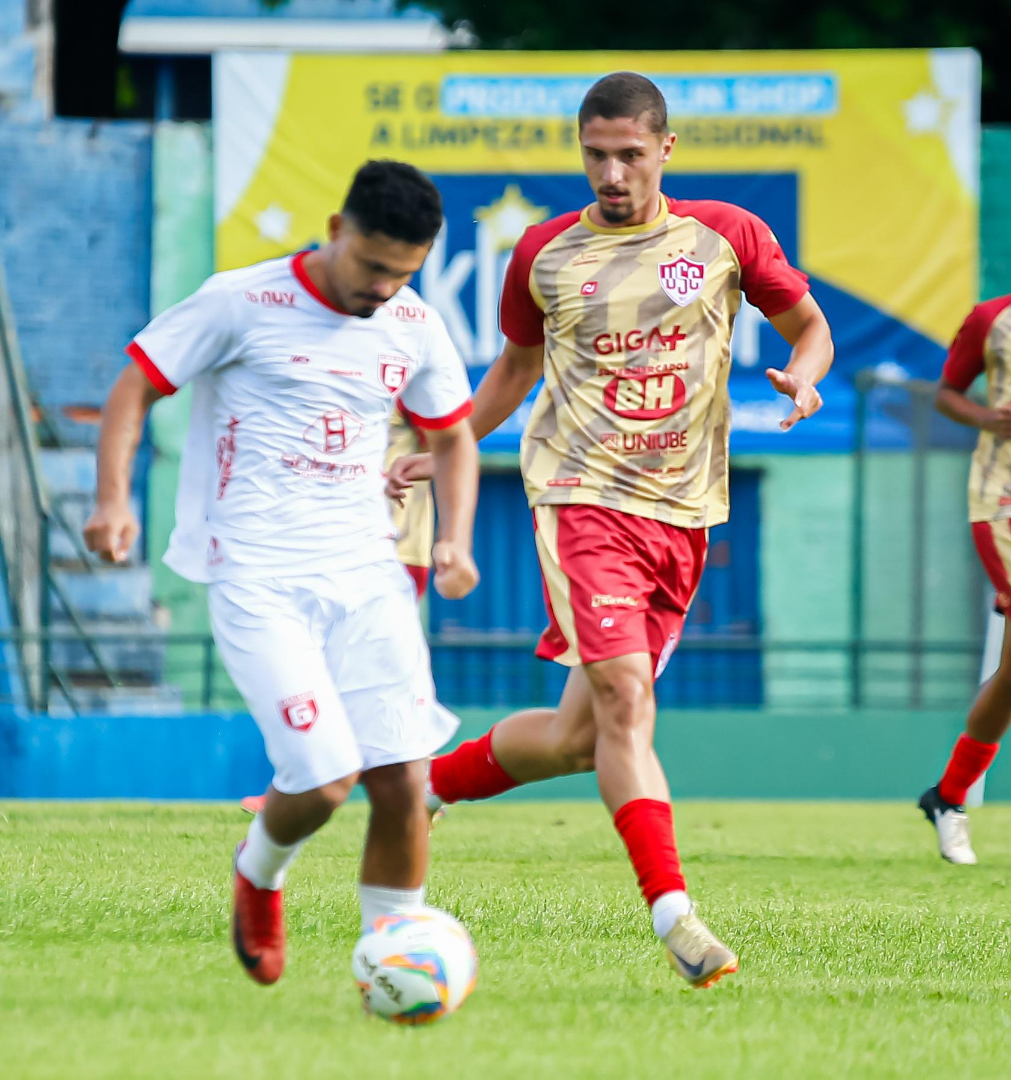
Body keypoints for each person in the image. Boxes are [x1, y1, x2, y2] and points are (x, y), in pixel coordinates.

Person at [389, 72, 834, 988]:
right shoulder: (544, 253)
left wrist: (804, 373)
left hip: (683, 514)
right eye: (596, 155)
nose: (612, 172)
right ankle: (677, 918)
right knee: (630, 699)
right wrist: (451, 448)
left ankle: (424, 787)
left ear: (665, 150)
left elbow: (810, 327)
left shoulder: (725, 236)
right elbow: (513, 370)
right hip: (581, 495)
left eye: (631, 154)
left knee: (577, 738)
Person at [83, 160, 479, 986]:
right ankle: (259, 871)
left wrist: (454, 539)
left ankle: (393, 959)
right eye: (372, 266)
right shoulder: (241, 300)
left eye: (401, 273)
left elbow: (453, 437)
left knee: (405, 776)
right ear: (336, 229)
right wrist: (114, 499)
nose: (381, 289)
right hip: (257, 575)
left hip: (367, 569)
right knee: (328, 777)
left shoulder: (412, 323)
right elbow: (133, 390)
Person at [239, 404, 434, 816]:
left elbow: (449, 450)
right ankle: (417, 786)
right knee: (313, 664)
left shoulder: (406, 368)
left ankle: (415, 784)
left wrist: (453, 539)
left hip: (393, 545)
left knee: (373, 668)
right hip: (328, 541)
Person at [918, 293, 1011, 864]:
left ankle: (947, 797)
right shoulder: (992, 318)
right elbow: (946, 393)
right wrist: (984, 417)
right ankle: (950, 799)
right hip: (1002, 499)